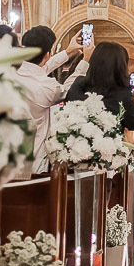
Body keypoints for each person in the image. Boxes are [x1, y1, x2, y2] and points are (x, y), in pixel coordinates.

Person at [15, 26, 90, 173]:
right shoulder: (46, 87)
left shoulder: (11, 71)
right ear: (47, 55)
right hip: (31, 165)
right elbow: (69, 89)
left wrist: (68, 52)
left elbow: (37, 69)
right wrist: (85, 60)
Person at [66, 41, 134, 131]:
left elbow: (68, 107)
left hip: (77, 141)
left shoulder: (79, 84)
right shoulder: (122, 93)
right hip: (109, 143)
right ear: (122, 66)